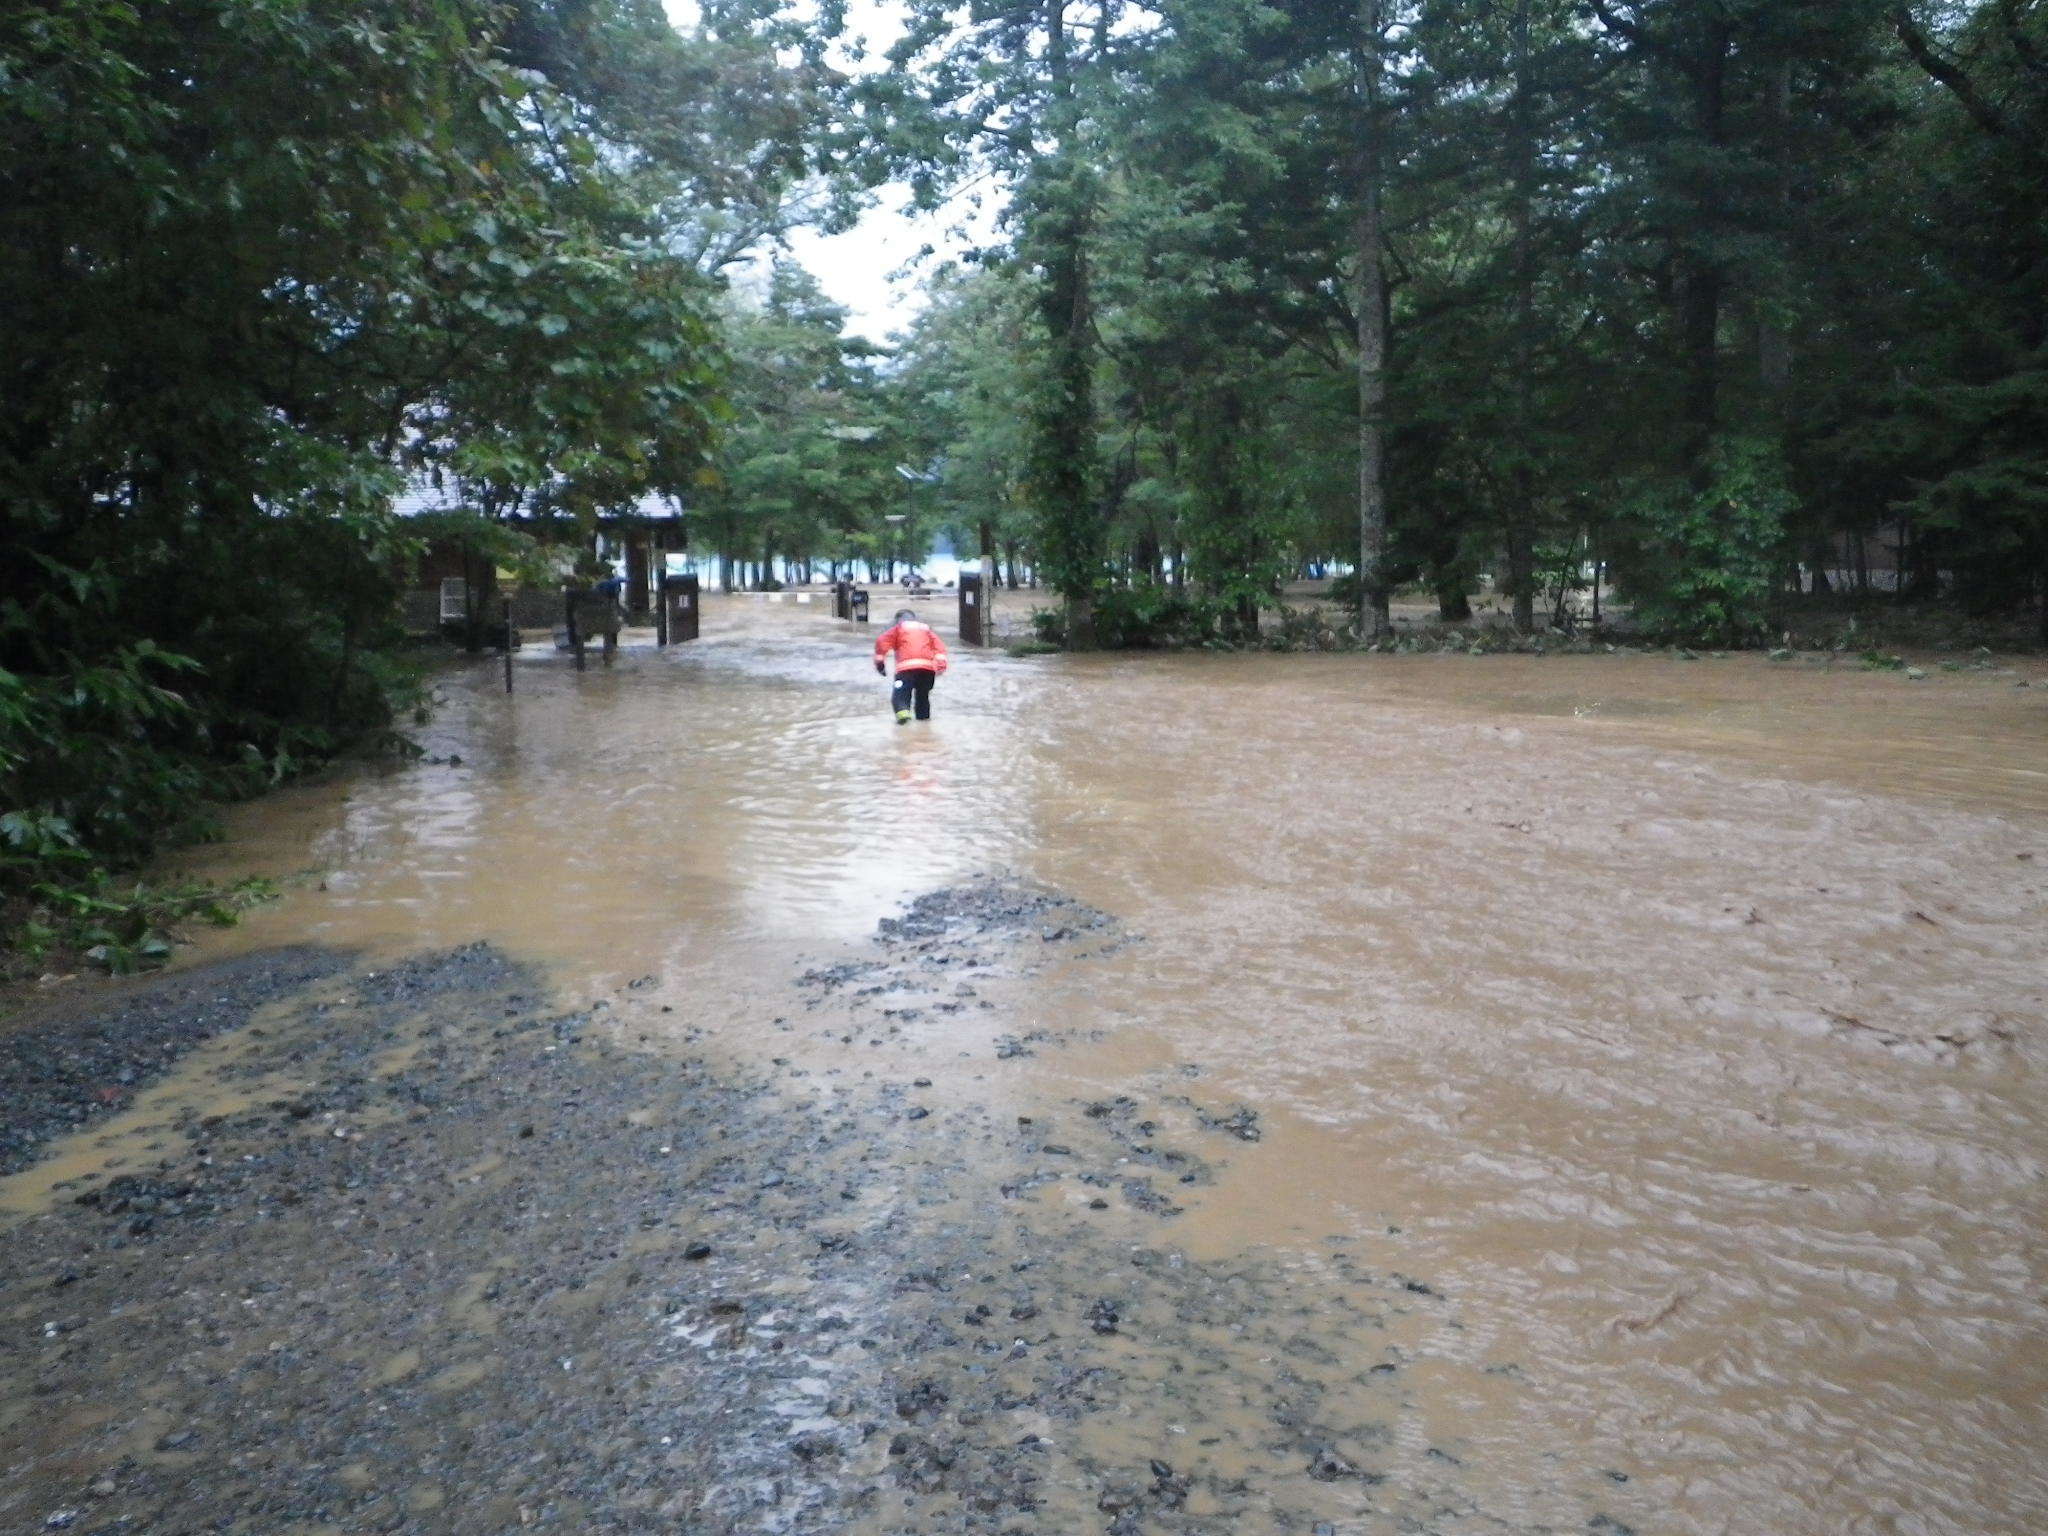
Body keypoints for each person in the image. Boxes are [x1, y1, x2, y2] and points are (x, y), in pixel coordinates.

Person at [873, 608, 948, 723]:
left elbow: (882, 642)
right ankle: (924, 723)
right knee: (923, 697)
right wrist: (941, 666)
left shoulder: (898, 628)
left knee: (900, 696)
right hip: (927, 670)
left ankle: (904, 720)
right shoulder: (926, 629)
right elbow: (939, 647)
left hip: (905, 670)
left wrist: (880, 663)